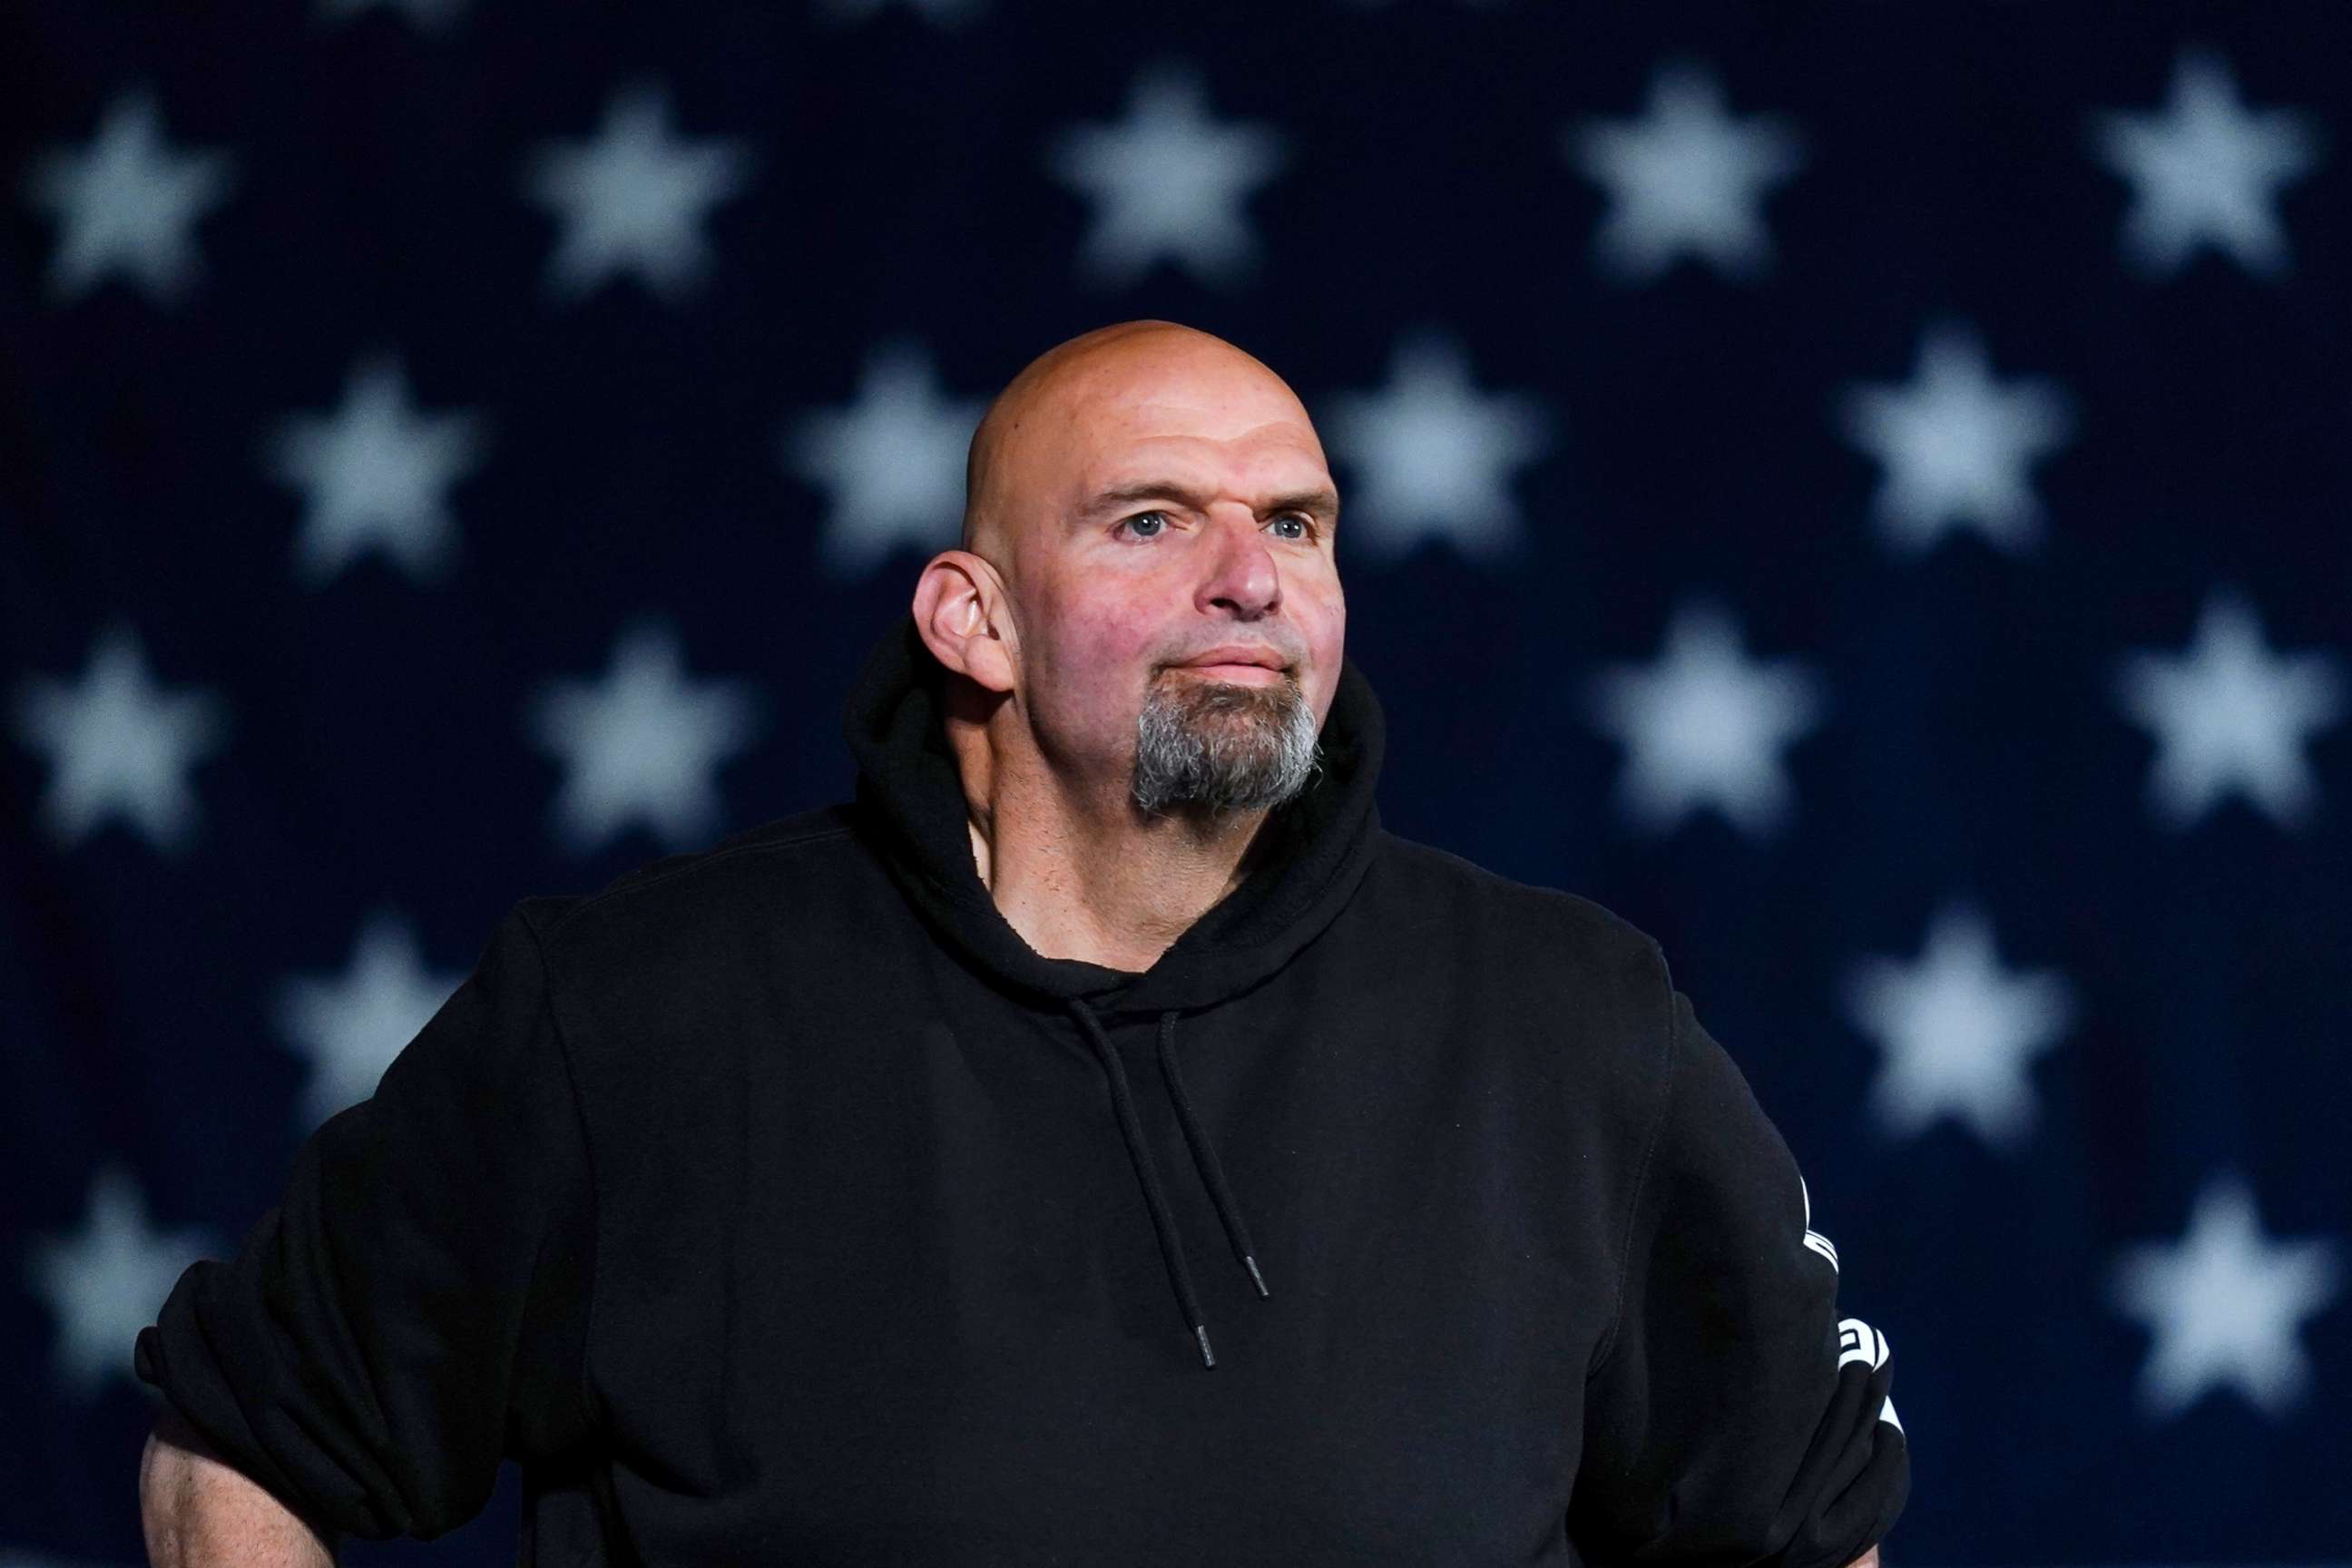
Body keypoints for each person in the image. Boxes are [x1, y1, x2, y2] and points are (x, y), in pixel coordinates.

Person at [135, 319, 1908, 1566]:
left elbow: (1809, 1529)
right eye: (1155, 520)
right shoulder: (641, 1016)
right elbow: (241, 1446)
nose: (1251, 576)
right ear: (969, 620)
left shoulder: (1568, 1024)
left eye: (1295, 521)